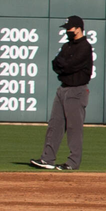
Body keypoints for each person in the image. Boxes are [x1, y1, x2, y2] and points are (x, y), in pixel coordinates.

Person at [29, 15, 93, 172]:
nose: (67, 31)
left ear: (78, 28)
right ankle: (47, 159)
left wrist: (63, 66)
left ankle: (73, 162)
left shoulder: (85, 46)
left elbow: (70, 65)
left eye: (69, 28)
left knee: (74, 128)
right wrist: (63, 67)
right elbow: (55, 64)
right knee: (55, 125)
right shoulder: (67, 46)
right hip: (63, 89)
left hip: (77, 90)